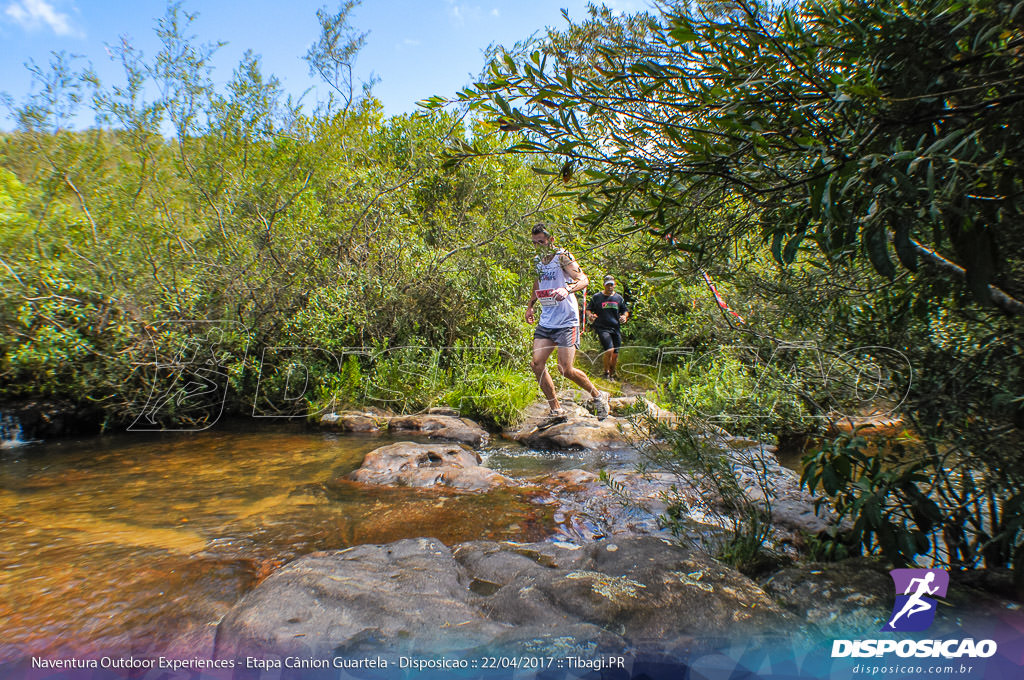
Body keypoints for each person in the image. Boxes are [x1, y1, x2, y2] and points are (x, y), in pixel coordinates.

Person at [525, 223, 609, 420]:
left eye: (542, 242)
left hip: (567, 320)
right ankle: (556, 409)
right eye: (535, 243)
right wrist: (530, 305)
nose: (539, 246)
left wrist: (568, 289)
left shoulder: (563, 256)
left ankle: (598, 396)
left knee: (565, 369)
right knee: (537, 364)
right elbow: (538, 283)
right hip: (547, 320)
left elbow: (584, 279)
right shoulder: (537, 261)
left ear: (551, 240)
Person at [587, 274, 630, 379]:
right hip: (602, 327)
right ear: (604, 285)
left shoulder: (618, 298)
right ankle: (606, 373)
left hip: (615, 328)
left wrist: (624, 316)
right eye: (608, 285)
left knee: (615, 353)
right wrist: (590, 316)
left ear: (614, 285)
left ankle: (612, 373)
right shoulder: (597, 297)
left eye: (611, 285)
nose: (610, 287)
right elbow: (588, 309)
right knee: (609, 350)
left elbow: (625, 310)